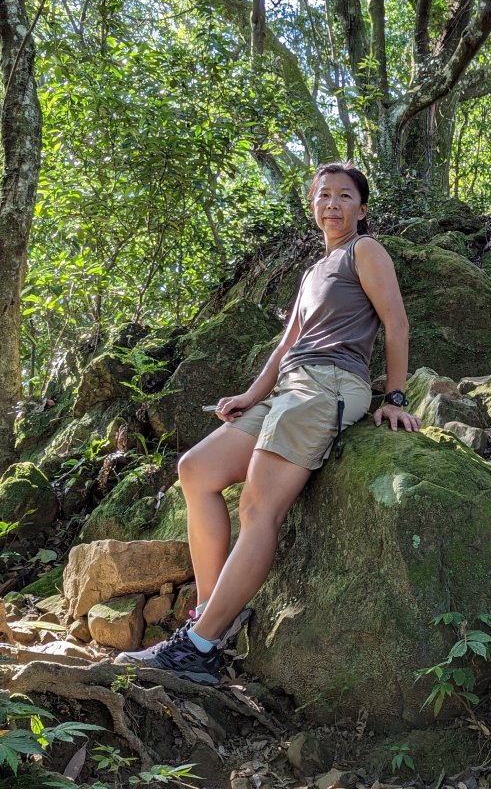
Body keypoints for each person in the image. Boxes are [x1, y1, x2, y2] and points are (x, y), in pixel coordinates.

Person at [116, 162, 420, 683]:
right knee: (196, 470)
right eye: (322, 195)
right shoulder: (311, 273)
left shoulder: (364, 252)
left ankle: (199, 647)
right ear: (312, 205)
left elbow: (396, 320)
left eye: (344, 196)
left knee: (258, 507)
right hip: (288, 389)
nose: (332, 204)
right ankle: (213, 617)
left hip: (328, 385)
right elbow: (286, 345)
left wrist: (394, 394)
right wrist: (250, 396)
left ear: (361, 210)